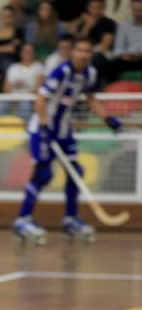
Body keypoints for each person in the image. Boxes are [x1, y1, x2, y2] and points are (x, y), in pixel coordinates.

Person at [13, 37, 122, 244]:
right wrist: (45, 127)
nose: (84, 55)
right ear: (73, 52)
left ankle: (71, 219)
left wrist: (108, 119)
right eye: (80, 50)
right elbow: (41, 98)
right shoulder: (61, 72)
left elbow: (90, 99)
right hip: (42, 130)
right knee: (43, 173)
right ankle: (23, 220)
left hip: (64, 131)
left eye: (88, 51)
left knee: (75, 172)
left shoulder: (90, 74)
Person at [109, 0, 142, 81]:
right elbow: (117, 49)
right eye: (136, 11)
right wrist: (123, 55)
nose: (138, 14)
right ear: (131, 9)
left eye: (140, 11)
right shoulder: (123, 25)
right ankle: (112, 91)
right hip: (127, 60)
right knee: (110, 66)